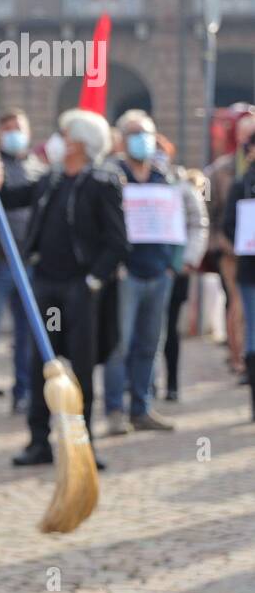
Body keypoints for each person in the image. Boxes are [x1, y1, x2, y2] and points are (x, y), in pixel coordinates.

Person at [4, 109, 128, 468]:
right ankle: (38, 441)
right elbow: (12, 195)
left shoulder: (102, 184)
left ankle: (81, 444)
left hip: (79, 290)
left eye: (65, 135)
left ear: (80, 144)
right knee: (45, 361)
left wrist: (93, 280)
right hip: (47, 288)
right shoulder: (50, 180)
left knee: (82, 367)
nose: (58, 141)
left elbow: (118, 242)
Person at [102, 111, 179, 434]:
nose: (141, 139)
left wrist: (175, 263)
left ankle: (141, 407)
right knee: (120, 345)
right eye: (134, 133)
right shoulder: (112, 176)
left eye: (146, 133)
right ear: (121, 140)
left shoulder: (164, 176)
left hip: (159, 272)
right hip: (126, 274)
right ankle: (115, 411)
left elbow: (180, 219)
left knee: (150, 343)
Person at [0, 107, 43, 415]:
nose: (14, 133)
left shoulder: (38, 169)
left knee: (26, 334)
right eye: (8, 128)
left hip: (29, 264)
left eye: (19, 127)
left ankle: (22, 392)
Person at [162, 163, 210, 402]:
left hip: (175, 270)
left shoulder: (181, 188)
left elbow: (198, 223)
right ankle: (142, 387)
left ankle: (171, 385)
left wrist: (189, 260)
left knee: (170, 329)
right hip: (144, 269)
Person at [222, 135, 255, 421]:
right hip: (250, 269)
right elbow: (228, 225)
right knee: (252, 331)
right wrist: (245, 243)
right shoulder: (241, 185)